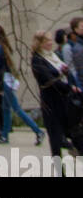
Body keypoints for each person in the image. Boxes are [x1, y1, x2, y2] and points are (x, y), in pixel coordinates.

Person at [0, 24, 43, 146]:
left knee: (16, 109)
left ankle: (38, 131)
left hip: (5, 80)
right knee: (6, 109)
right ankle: (5, 136)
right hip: (10, 79)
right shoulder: (5, 45)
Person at [32, 30, 83, 158]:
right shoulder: (37, 60)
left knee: (75, 132)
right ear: (39, 43)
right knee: (55, 139)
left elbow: (67, 72)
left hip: (65, 101)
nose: (50, 43)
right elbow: (49, 80)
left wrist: (72, 86)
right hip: (51, 103)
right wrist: (69, 87)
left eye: (50, 40)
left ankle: (75, 150)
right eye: (46, 41)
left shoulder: (54, 56)